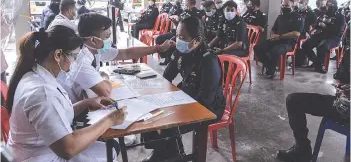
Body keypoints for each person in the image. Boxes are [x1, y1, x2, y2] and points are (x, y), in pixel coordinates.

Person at [6, 26, 127, 162]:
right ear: (58, 55)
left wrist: (85, 104)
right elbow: (69, 149)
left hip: (43, 149)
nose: (74, 61)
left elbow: (55, 115)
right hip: (42, 156)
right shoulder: (42, 93)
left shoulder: (36, 74)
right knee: (107, 150)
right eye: (74, 56)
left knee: (109, 146)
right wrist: (110, 120)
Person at [141, 16, 226, 162]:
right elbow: (167, 76)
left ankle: (173, 156)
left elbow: (205, 100)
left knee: (168, 122)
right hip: (186, 96)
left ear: (197, 40)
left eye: (183, 37)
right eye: (177, 35)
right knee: (151, 113)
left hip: (208, 108)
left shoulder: (208, 60)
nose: (178, 40)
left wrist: (178, 109)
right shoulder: (182, 51)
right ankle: (165, 153)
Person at [68, 13, 175, 103]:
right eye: (106, 37)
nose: (109, 40)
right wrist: (103, 77)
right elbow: (105, 91)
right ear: (93, 40)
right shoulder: (82, 62)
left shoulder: (94, 50)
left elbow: (125, 53)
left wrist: (158, 48)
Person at [277, 41, 350, 162]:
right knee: (294, 100)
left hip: (346, 112)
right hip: (342, 105)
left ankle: (302, 150)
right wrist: (343, 86)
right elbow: (341, 78)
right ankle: (302, 149)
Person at [254, 0, 303, 79]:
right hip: (277, 40)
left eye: (287, 5)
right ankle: (270, 66)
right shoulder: (280, 17)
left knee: (275, 51)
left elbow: (296, 33)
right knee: (258, 48)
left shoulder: (298, 17)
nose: (284, 7)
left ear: (293, 6)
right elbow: (273, 29)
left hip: (289, 43)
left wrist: (280, 36)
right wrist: (273, 36)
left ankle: (271, 71)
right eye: (283, 5)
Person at [156, 0, 203, 65]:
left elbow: (194, 27)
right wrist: (175, 21)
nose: (184, 2)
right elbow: (180, 23)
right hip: (176, 31)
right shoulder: (185, 11)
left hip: (186, 35)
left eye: (186, 1)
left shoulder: (197, 13)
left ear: (189, 2)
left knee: (170, 42)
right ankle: (165, 57)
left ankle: (169, 60)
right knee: (159, 38)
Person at [301, 0, 346, 74]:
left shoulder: (340, 17)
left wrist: (325, 26)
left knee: (322, 47)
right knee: (305, 45)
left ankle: (318, 67)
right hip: (322, 35)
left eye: (331, 5)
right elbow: (317, 24)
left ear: (335, 6)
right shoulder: (324, 14)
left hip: (333, 38)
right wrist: (315, 27)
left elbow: (337, 31)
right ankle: (317, 63)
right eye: (327, 5)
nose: (328, 7)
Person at [294, 0, 317, 67]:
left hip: (306, 33)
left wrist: (310, 32)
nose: (299, 4)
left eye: (301, 2)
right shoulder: (296, 12)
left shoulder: (311, 13)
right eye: (299, 2)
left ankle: (300, 61)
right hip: (297, 31)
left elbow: (315, 26)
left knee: (299, 40)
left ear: (306, 4)